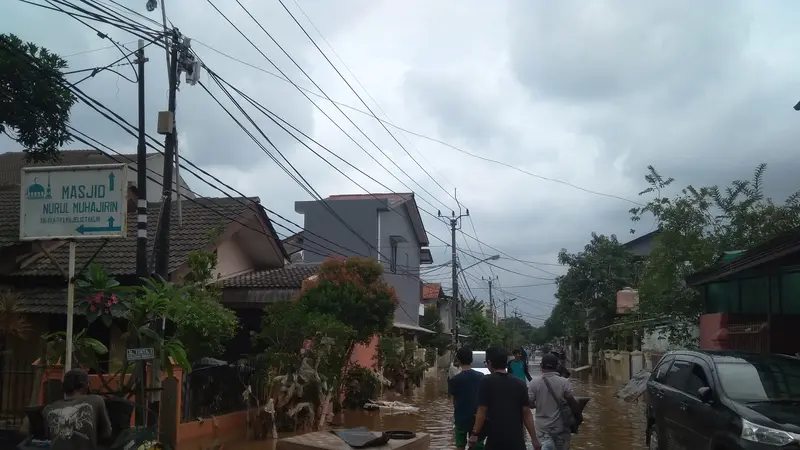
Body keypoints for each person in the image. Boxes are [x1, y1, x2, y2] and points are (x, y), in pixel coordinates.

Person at [470, 348, 541, 450]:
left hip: (495, 439)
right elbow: (526, 412)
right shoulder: (520, 384)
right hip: (516, 439)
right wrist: (534, 439)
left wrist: (475, 434)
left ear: (489, 363)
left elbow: (482, 410)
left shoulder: (486, 381)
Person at [43, 368, 113, 450]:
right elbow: (107, 433)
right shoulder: (95, 400)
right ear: (85, 385)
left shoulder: (48, 409)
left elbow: (47, 437)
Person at [528, 354, 581, 450]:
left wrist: (537, 404)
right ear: (557, 367)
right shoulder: (564, 382)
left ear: (541, 366)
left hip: (542, 429)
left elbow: (529, 404)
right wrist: (577, 419)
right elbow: (572, 403)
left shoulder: (533, 383)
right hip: (561, 428)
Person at [448, 347, 486, 450]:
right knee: (478, 446)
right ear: (472, 359)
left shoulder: (454, 380)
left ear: (458, 360)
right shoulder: (482, 376)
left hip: (461, 419)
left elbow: (453, 400)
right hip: (477, 419)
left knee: (460, 446)